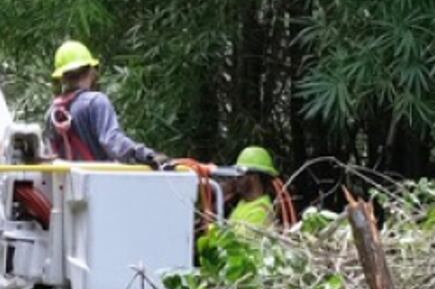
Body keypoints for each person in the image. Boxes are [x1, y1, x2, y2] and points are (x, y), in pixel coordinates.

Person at [42, 40, 197, 172]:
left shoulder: (52, 113)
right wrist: (147, 156)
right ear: (91, 71)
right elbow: (112, 141)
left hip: (63, 189)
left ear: (62, 78)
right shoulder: (96, 101)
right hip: (98, 184)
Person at [224, 146, 284, 235]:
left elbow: (235, 242)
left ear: (254, 178)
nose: (235, 179)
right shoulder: (243, 203)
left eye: (240, 175)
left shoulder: (260, 212)